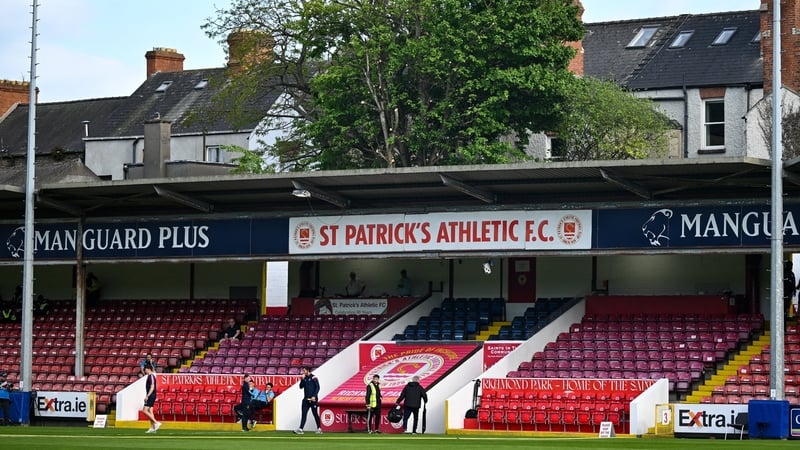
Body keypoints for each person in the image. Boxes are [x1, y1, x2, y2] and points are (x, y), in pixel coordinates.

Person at [294, 366, 322, 435]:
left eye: (304, 371)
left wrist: (314, 396)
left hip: (313, 399)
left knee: (315, 414)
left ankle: (319, 428)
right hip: (306, 399)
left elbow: (318, 387)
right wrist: (302, 379)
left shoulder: (313, 377)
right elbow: (301, 387)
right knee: (304, 414)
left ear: (308, 370)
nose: (303, 372)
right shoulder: (304, 378)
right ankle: (301, 429)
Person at [141, 363, 161, 433]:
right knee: (150, 410)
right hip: (152, 395)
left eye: (145, 370)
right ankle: (153, 428)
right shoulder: (150, 376)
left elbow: (152, 387)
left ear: (148, 369)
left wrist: (147, 396)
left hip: (151, 395)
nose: (144, 371)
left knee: (144, 410)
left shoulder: (151, 376)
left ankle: (156, 423)